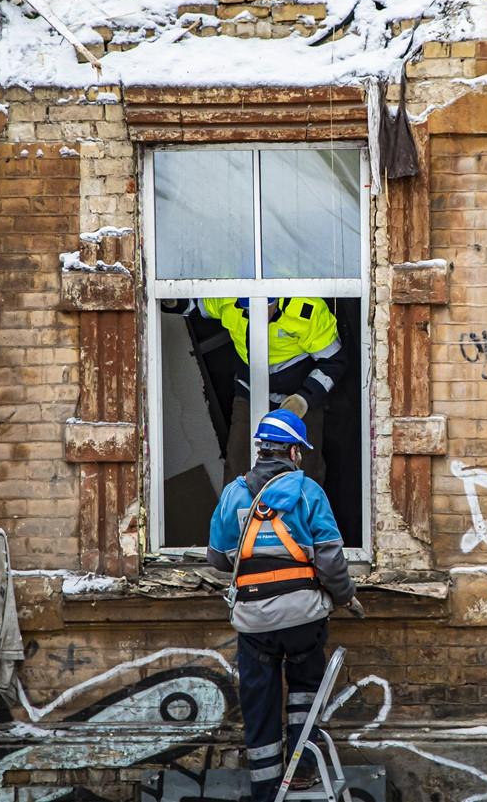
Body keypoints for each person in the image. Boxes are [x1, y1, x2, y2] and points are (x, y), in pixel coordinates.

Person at [207, 409, 363, 800]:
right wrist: (345, 596)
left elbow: (218, 559)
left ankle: (265, 785)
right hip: (302, 618)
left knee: (259, 702)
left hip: (254, 623)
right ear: (294, 452)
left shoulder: (233, 493)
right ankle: (303, 771)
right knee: (304, 689)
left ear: (261, 450)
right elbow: (329, 560)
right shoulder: (308, 492)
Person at [198, 296, 347, 485]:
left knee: (306, 470)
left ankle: (304, 514)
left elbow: (335, 362)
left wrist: (304, 399)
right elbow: (193, 302)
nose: (256, 313)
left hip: (299, 401)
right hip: (250, 396)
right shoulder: (227, 297)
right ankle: (241, 513)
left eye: (263, 305)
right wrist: (172, 303)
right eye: (249, 308)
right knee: (238, 464)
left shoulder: (307, 309)